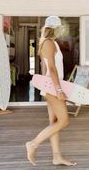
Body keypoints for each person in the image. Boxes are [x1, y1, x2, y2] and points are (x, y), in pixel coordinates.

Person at [26, 16, 77, 166]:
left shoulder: (47, 43)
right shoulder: (49, 43)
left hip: (50, 86)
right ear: (56, 29)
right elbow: (52, 69)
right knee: (64, 120)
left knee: (54, 122)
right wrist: (58, 89)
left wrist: (45, 87)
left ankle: (57, 157)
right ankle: (33, 143)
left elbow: (44, 68)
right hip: (53, 87)